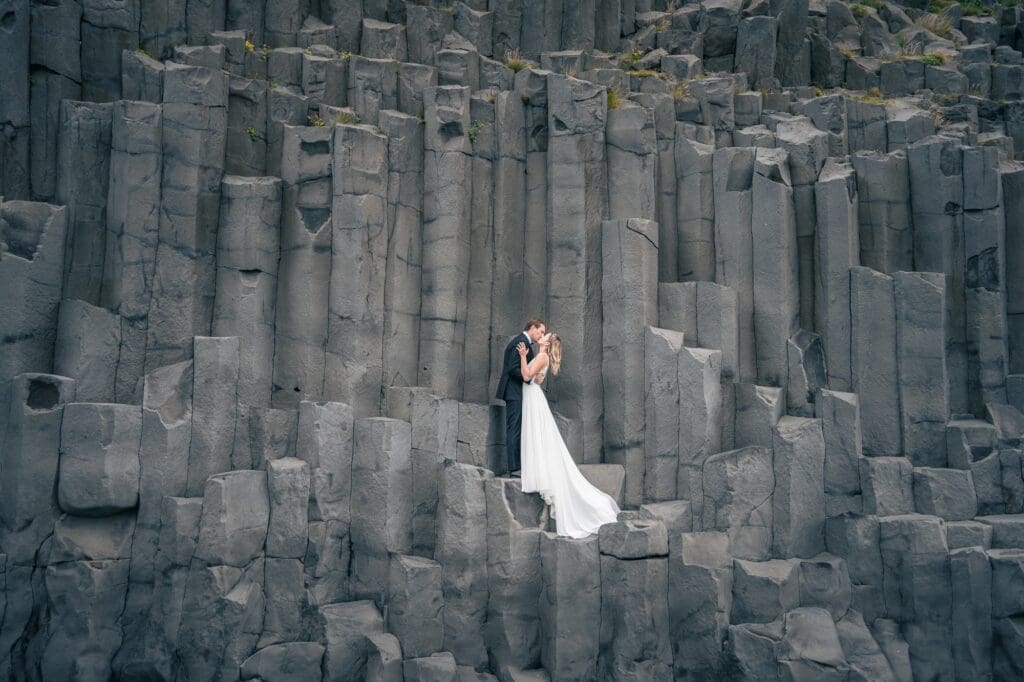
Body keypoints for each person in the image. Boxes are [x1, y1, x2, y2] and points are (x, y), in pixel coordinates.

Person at [515, 332, 620, 538]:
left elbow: (527, 376)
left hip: (533, 398)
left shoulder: (543, 356)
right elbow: (536, 378)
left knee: (538, 438)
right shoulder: (542, 356)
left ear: (548, 343)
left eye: (546, 336)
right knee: (539, 439)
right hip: (533, 397)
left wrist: (522, 356)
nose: (542, 336)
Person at [496, 318, 546, 477]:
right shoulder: (520, 342)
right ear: (532, 327)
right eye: (541, 331)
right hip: (513, 392)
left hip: (518, 392)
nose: (541, 335)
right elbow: (512, 369)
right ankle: (514, 468)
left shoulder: (525, 343)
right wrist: (531, 379)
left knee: (518, 428)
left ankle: (518, 466)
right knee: (514, 428)